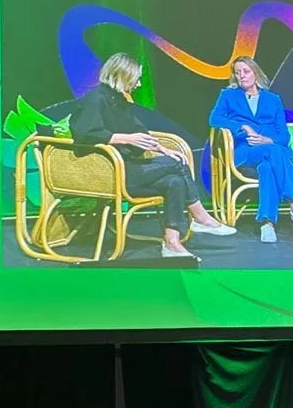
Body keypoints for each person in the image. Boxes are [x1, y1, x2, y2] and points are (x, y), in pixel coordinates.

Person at [72, 52, 235, 259]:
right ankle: (200, 217)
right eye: (136, 79)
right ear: (122, 75)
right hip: (109, 171)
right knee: (176, 165)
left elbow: (140, 133)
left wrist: (163, 148)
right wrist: (125, 139)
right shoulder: (95, 99)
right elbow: (85, 134)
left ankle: (172, 243)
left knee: (174, 180)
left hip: (128, 167)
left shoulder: (119, 100)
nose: (138, 84)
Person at [208, 56, 293, 243]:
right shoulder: (228, 95)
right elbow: (214, 119)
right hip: (245, 150)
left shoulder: (273, 100)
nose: (242, 76)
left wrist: (267, 139)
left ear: (255, 73)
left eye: (246, 71)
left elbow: (284, 136)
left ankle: (266, 223)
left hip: (271, 149)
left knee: (267, 166)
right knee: (275, 152)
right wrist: (242, 127)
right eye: (238, 72)